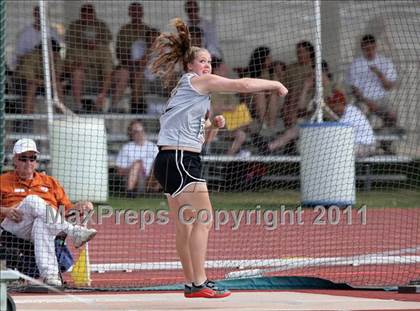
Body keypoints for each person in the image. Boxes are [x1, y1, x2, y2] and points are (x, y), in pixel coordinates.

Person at [149, 18, 287, 298]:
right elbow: (243, 85)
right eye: (202, 61)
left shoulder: (184, 90)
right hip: (180, 160)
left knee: (186, 225)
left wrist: (212, 125)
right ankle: (200, 283)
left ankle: (191, 283)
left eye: (210, 62)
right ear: (190, 66)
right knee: (204, 219)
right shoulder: (200, 82)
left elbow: (192, 134)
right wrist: (274, 84)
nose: (207, 66)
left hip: (168, 160)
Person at [0, 139, 97, 286]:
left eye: (32, 158)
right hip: (13, 227)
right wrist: (4, 210)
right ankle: (74, 232)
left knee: (41, 222)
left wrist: (80, 207)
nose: (28, 163)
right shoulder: (3, 180)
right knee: (32, 200)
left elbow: (67, 210)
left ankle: (50, 276)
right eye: (23, 158)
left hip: (45, 227)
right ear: (15, 159)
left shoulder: (50, 182)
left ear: (36, 161)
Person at [265, 61, 376, 157]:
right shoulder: (314, 90)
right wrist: (306, 87)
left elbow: (338, 108)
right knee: (295, 129)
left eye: (316, 74)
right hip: (320, 124)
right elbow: (301, 108)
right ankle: (269, 148)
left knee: (325, 149)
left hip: (341, 131)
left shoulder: (336, 87)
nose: (313, 77)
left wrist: (323, 94)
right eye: (312, 74)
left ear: (323, 73)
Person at [14, 6, 64, 115]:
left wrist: (52, 82)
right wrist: (48, 82)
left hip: (45, 82)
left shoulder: (52, 33)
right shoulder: (26, 35)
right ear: (34, 15)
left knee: (58, 87)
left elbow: (58, 75)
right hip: (25, 81)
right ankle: (26, 122)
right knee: (31, 87)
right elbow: (29, 78)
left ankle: (62, 120)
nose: (54, 53)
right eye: (38, 14)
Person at [65, 4, 113, 112]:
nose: (90, 41)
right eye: (87, 38)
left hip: (98, 82)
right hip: (81, 81)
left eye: (93, 38)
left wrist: (102, 94)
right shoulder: (75, 48)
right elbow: (66, 67)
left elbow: (108, 73)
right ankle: (79, 107)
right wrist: (75, 66)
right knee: (77, 73)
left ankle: (105, 107)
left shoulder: (104, 50)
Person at [346, 34, 398, 128]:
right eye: (367, 49)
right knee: (358, 115)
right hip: (363, 100)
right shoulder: (355, 64)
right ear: (362, 49)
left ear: (376, 47)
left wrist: (380, 75)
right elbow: (355, 91)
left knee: (392, 116)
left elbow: (389, 87)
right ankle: (364, 139)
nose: (370, 52)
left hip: (381, 99)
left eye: (372, 48)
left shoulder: (385, 62)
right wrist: (368, 102)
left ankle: (385, 141)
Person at [113, 2, 155, 113]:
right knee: (128, 74)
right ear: (129, 13)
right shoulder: (124, 30)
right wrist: (131, 62)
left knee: (140, 75)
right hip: (127, 66)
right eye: (133, 10)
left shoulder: (147, 30)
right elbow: (119, 53)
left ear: (142, 13)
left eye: (138, 10)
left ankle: (140, 109)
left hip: (145, 67)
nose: (136, 13)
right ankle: (118, 107)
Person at [210, 57, 252, 155]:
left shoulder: (226, 85)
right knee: (243, 118)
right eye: (223, 68)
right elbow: (215, 108)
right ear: (215, 70)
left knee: (241, 134)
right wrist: (228, 108)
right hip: (216, 122)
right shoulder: (212, 86)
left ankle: (228, 158)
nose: (226, 69)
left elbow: (234, 105)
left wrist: (230, 108)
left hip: (229, 123)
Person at [116, 120, 159, 195]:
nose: (139, 134)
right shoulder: (126, 148)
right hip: (135, 179)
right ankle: (130, 191)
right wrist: (135, 169)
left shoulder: (153, 147)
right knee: (137, 164)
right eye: (135, 131)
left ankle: (156, 191)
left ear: (144, 131)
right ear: (131, 133)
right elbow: (119, 171)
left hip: (151, 179)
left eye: (140, 131)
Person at [282, 41, 315, 129]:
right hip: (290, 100)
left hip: (308, 100)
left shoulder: (315, 67)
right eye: (298, 52)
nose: (299, 55)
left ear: (309, 52)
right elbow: (284, 87)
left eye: (302, 52)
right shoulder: (291, 68)